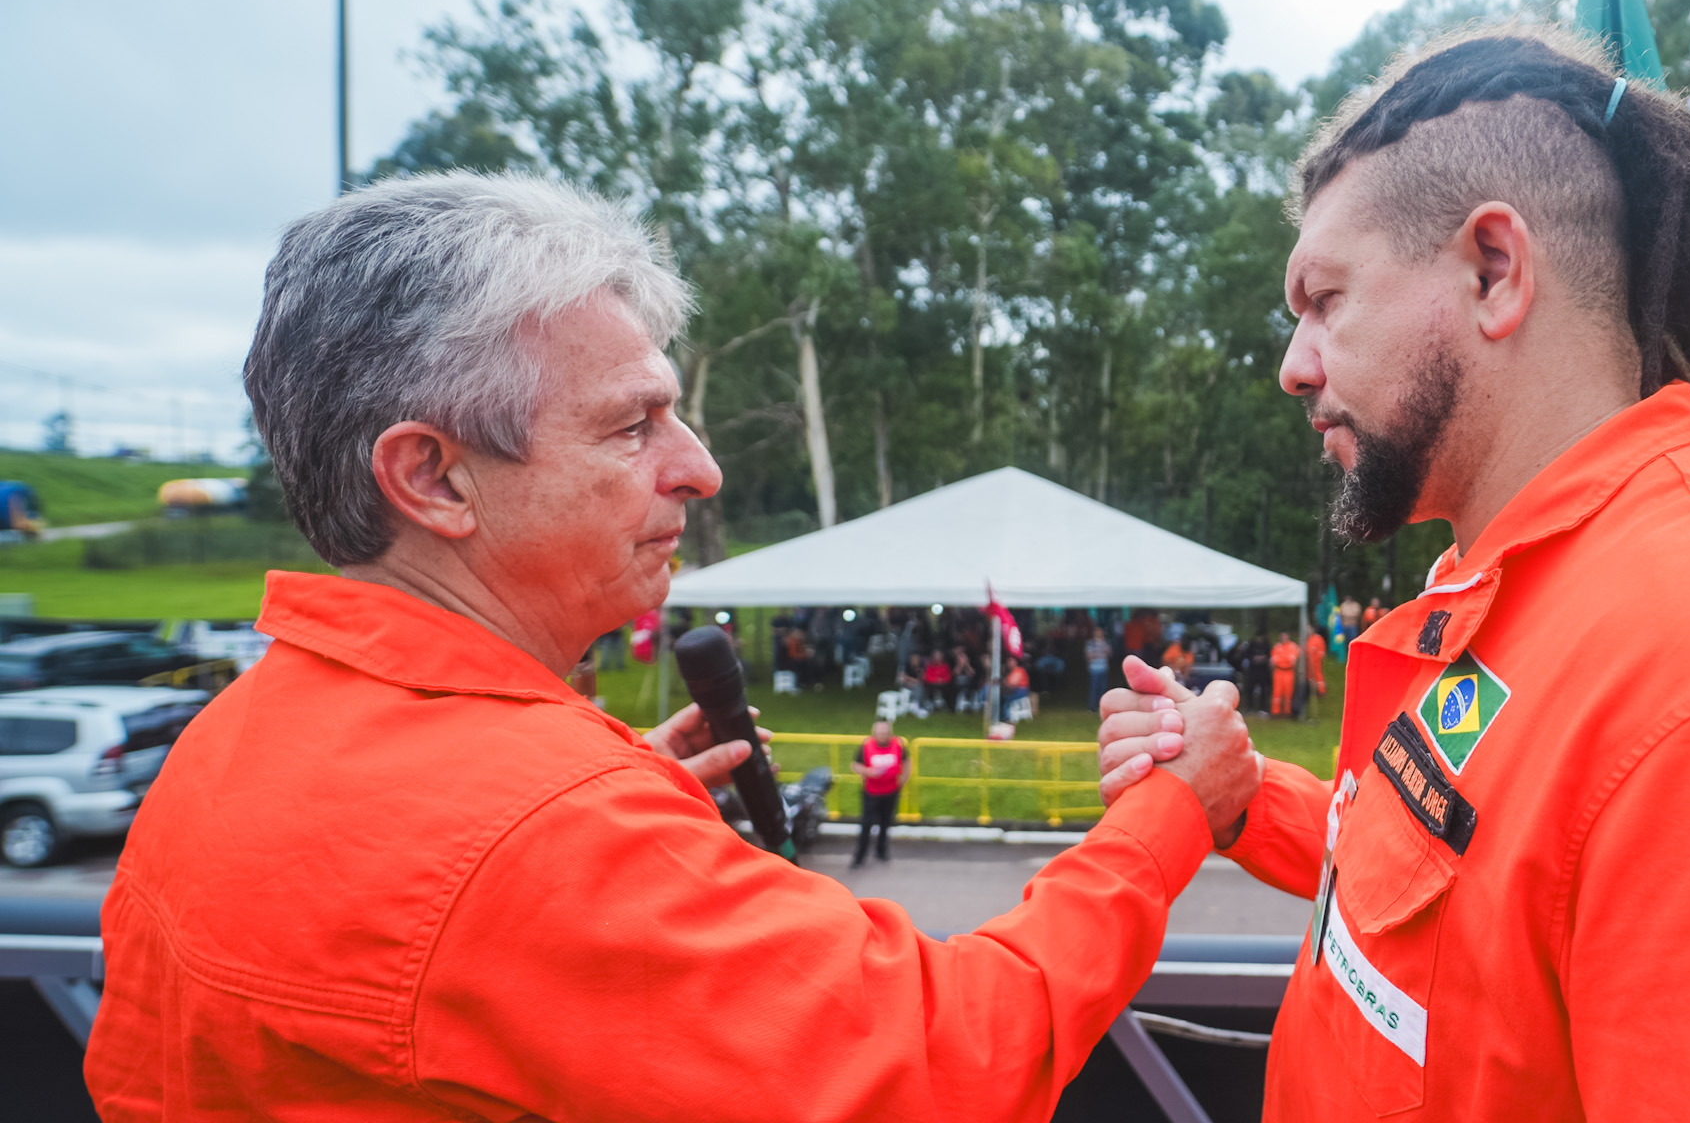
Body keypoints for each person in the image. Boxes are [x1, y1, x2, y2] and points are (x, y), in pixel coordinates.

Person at [85, 172, 1262, 1122]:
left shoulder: (228, 745)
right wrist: (1166, 816)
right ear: (432, 478)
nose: (697, 466)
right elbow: (944, 1063)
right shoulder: (542, 828)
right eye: (631, 424)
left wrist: (623, 821)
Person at [1095, 29, 1690, 1120]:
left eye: (1325, 299)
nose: (1292, 367)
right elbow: (1473, 888)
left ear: (1493, 270)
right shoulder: (1516, 580)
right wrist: (1244, 799)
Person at [850, 715, 907, 867]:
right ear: (874, 734)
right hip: (871, 792)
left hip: (891, 791)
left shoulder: (898, 745)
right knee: (866, 824)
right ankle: (860, 856)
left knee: (885, 822)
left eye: (885, 733)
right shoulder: (866, 746)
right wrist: (868, 771)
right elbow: (855, 765)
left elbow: (907, 761)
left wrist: (903, 779)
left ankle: (881, 851)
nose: (883, 736)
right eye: (880, 733)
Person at [1267, 630, 1300, 719]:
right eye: (1282, 636)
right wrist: (1283, 660)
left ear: (1288, 637)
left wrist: (1283, 660)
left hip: (1289, 671)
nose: (1284, 638)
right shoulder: (1277, 647)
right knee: (1277, 692)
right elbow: (1273, 660)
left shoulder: (1293, 646)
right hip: (1278, 671)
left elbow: (1293, 660)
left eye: (1285, 636)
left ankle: (1287, 711)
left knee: (1288, 692)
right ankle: (1275, 712)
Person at [1084, 624, 1112, 708]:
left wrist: (1097, 654)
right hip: (1094, 669)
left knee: (1103, 688)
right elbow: (1089, 655)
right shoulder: (1090, 643)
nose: (1099, 633)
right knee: (1094, 688)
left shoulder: (1106, 642)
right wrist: (1100, 654)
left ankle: (1102, 706)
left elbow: (1109, 653)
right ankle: (1092, 707)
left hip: (1104, 668)